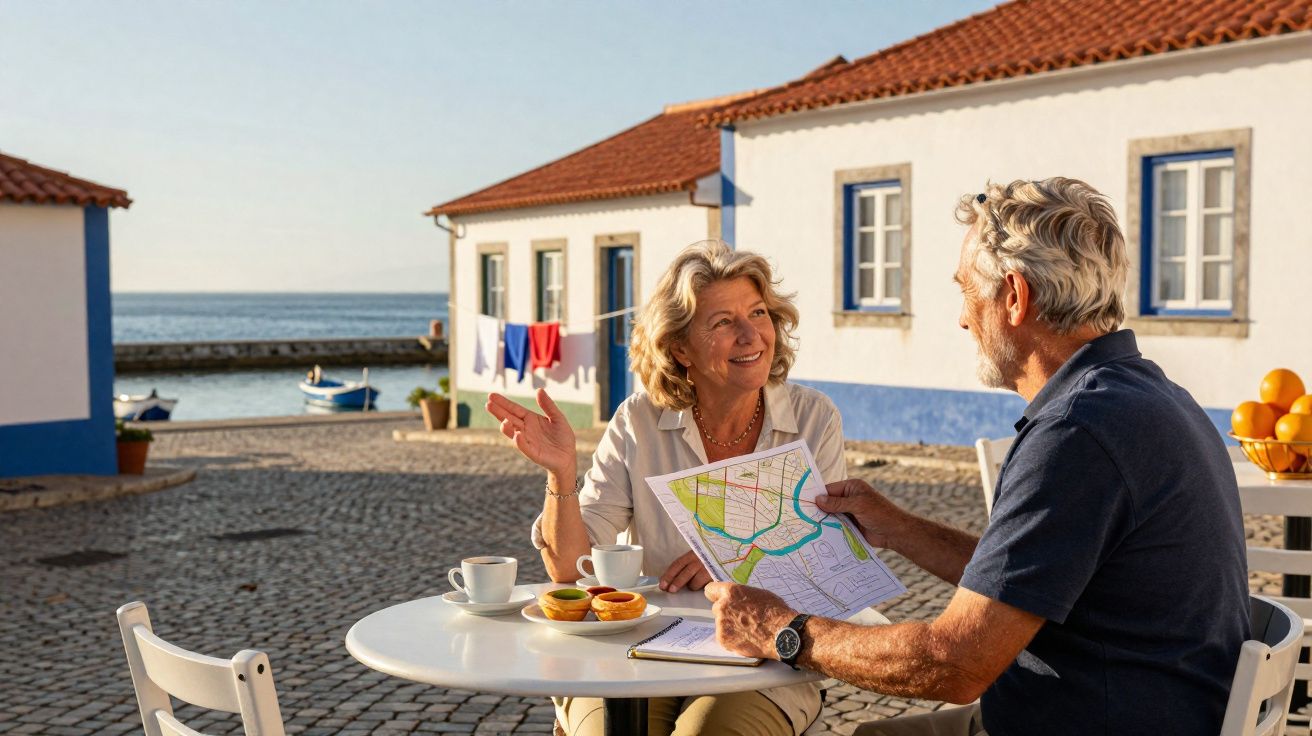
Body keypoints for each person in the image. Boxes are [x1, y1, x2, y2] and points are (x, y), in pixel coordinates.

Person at [703, 178, 1249, 735]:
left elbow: (952, 663)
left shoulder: (1076, 434)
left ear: (1013, 296)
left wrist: (779, 630)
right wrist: (898, 528)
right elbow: (1026, 581)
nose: (964, 319)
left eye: (967, 291)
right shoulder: (1144, 395)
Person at [486, 239, 845, 736]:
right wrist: (561, 475)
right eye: (722, 322)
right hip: (636, 648)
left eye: (758, 313)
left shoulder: (813, 418)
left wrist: (730, 557)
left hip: (768, 659)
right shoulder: (639, 419)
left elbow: (831, 565)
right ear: (680, 348)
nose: (751, 335)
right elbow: (569, 569)